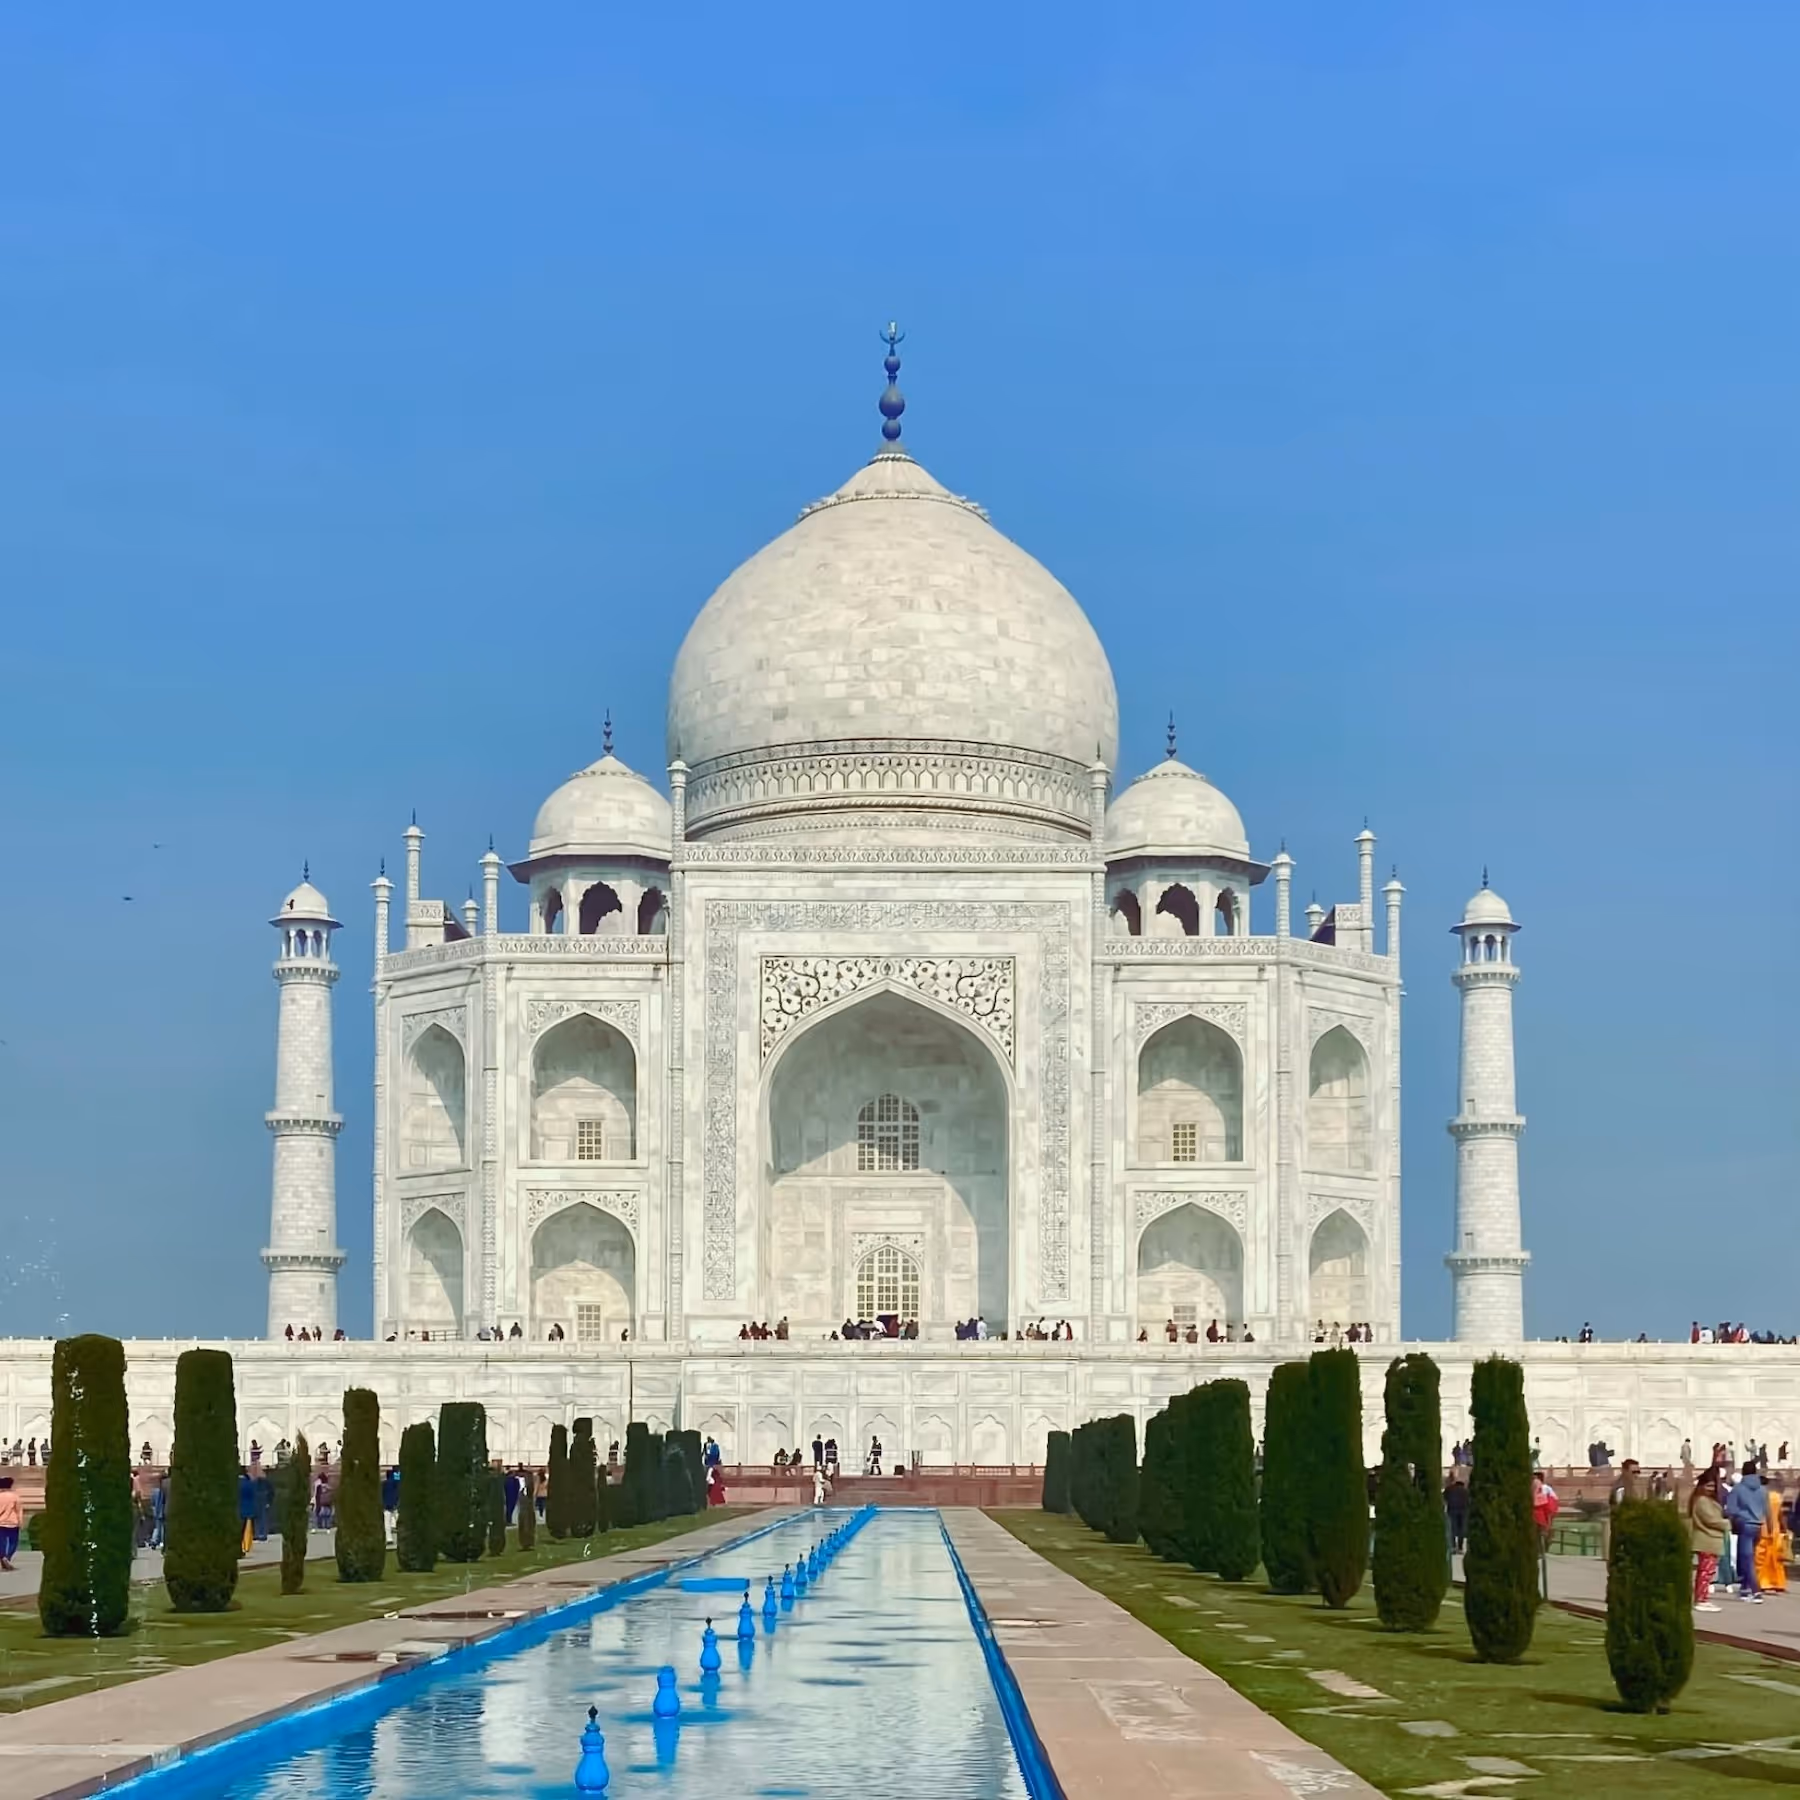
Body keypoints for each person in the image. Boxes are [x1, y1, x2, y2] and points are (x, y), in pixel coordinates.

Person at [1725, 1457, 1768, 1603]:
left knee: (1746, 1558)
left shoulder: (1739, 1488)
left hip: (1744, 1523)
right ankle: (1745, 1589)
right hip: (1758, 1524)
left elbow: (1731, 1509)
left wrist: (1734, 1517)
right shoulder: (1762, 1489)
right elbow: (1766, 1510)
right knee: (1748, 1557)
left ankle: (1756, 1591)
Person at [1690, 1466, 1729, 1613]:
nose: (1711, 1489)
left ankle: (1703, 1597)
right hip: (1706, 1538)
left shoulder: (1705, 1499)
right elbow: (1711, 1520)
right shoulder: (1701, 1501)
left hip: (1710, 1538)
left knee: (1708, 1571)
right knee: (1705, 1572)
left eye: (1713, 1486)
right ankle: (1700, 1599)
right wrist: (1728, 1523)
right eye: (1708, 1485)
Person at [1756, 1480, 1790, 1595]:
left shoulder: (1759, 1497)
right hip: (1775, 1531)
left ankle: (1762, 1582)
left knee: (1761, 1558)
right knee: (1776, 1559)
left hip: (1762, 1530)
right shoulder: (1777, 1497)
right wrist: (1784, 1529)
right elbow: (1781, 1515)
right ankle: (1777, 1583)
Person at [1444, 1471, 1470, 1556]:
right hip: (1463, 1511)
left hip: (1452, 1510)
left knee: (1452, 1528)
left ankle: (1453, 1547)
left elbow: (1445, 1498)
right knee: (1461, 1529)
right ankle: (1460, 1547)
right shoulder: (1465, 1490)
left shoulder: (1449, 1489)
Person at [0, 1475, 21, 1572]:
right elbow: (18, 1510)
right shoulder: (15, 1496)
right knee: (13, 1542)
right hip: (13, 1522)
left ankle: (3, 1556)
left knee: (2, 1542)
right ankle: (7, 1558)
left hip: (1, 1522)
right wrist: (20, 1521)